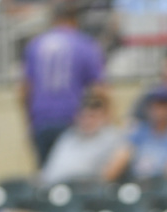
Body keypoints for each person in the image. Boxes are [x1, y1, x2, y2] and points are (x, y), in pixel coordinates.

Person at [21, 2, 106, 166]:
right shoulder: (85, 44)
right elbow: (100, 89)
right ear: (75, 20)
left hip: (41, 120)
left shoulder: (35, 44)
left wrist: (28, 121)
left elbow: (24, 89)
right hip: (72, 119)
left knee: (47, 176)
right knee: (71, 176)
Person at [102, 86, 167, 182]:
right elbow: (120, 158)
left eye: (163, 105)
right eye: (155, 105)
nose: (159, 110)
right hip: (136, 185)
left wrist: (155, 169)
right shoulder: (139, 131)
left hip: (165, 188)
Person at [39, 91, 124, 186]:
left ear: (104, 117)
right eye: (83, 116)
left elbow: (108, 176)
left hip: (84, 190)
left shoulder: (112, 138)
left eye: (92, 116)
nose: (87, 121)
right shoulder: (68, 137)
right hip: (52, 189)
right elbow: (49, 171)